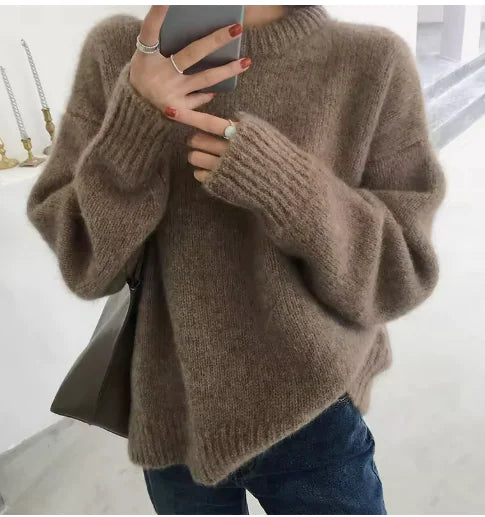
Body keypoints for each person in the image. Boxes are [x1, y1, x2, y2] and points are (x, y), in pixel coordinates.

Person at [26, 5, 446, 515]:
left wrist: (287, 186)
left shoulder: (371, 62)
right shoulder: (117, 53)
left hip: (314, 412)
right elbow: (85, 261)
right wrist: (134, 120)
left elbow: (401, 271)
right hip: (171, 414)